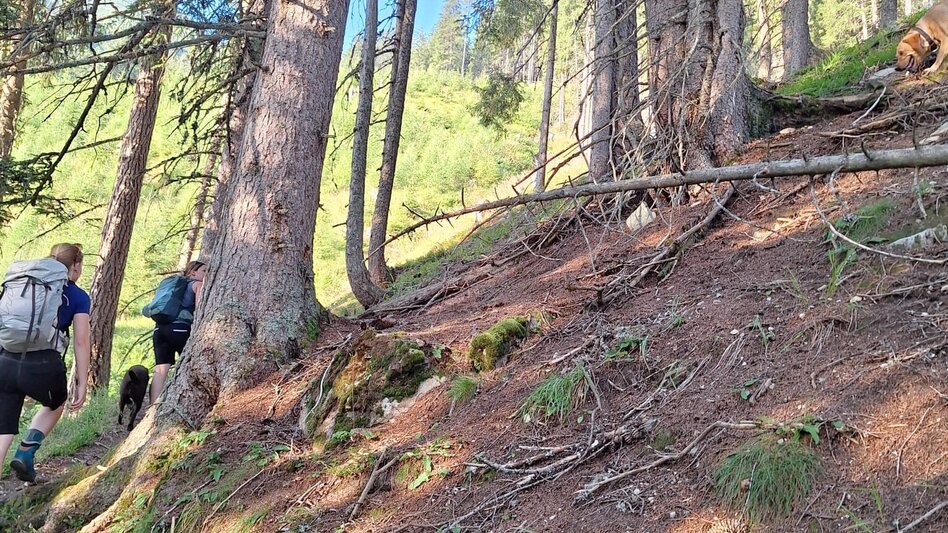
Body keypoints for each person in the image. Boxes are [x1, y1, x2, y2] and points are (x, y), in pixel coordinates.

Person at [0, 243, 90, 482]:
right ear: (75, 266)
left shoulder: (24, 285)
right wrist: (82, 382)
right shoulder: (78, 296)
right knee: (56, 403)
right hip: (42, 365)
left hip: (6, 359)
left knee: (3, 429)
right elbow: (81, 342)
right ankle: (27, 450)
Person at [149, 260, 205, 405]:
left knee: (160, 369)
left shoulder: (174, 287)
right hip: (180, 329)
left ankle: (153, 407)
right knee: (188, 364)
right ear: (193, 272)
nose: (207, 274)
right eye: (204, 271)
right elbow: (200, 309)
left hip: (159, 329)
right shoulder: (197, 284)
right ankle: (188, 402)